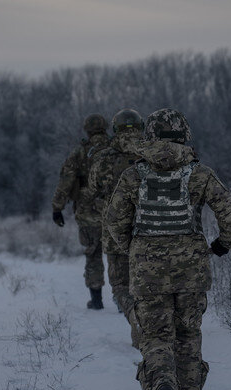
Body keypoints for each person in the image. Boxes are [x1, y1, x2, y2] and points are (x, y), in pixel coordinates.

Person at [104, 108, 231, 390]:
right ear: (185, 136)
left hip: (146, 271)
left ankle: (163, 386)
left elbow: (113, 220)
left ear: (149, 136)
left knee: (155, 335)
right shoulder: (200, 174)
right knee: (187, 334)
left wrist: (134, 249)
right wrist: (222, 244)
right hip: (192, 271)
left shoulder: (133, 175)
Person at [86, 109, 145, 349]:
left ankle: (135, 318)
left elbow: (92, 189)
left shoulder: (104, 157)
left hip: (115, 231)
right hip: (150, 229)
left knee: (121, 285)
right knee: (147, 282)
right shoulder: (152, 152)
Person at [52, 113, 110, 310]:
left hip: (88, 210)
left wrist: (57, 208)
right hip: (117, 208)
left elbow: (66, 180)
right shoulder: (117, 148)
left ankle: (96, 300)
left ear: (87, 129)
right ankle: (124, 301)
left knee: (93, 253)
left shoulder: (80, 151)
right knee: (121, 254)